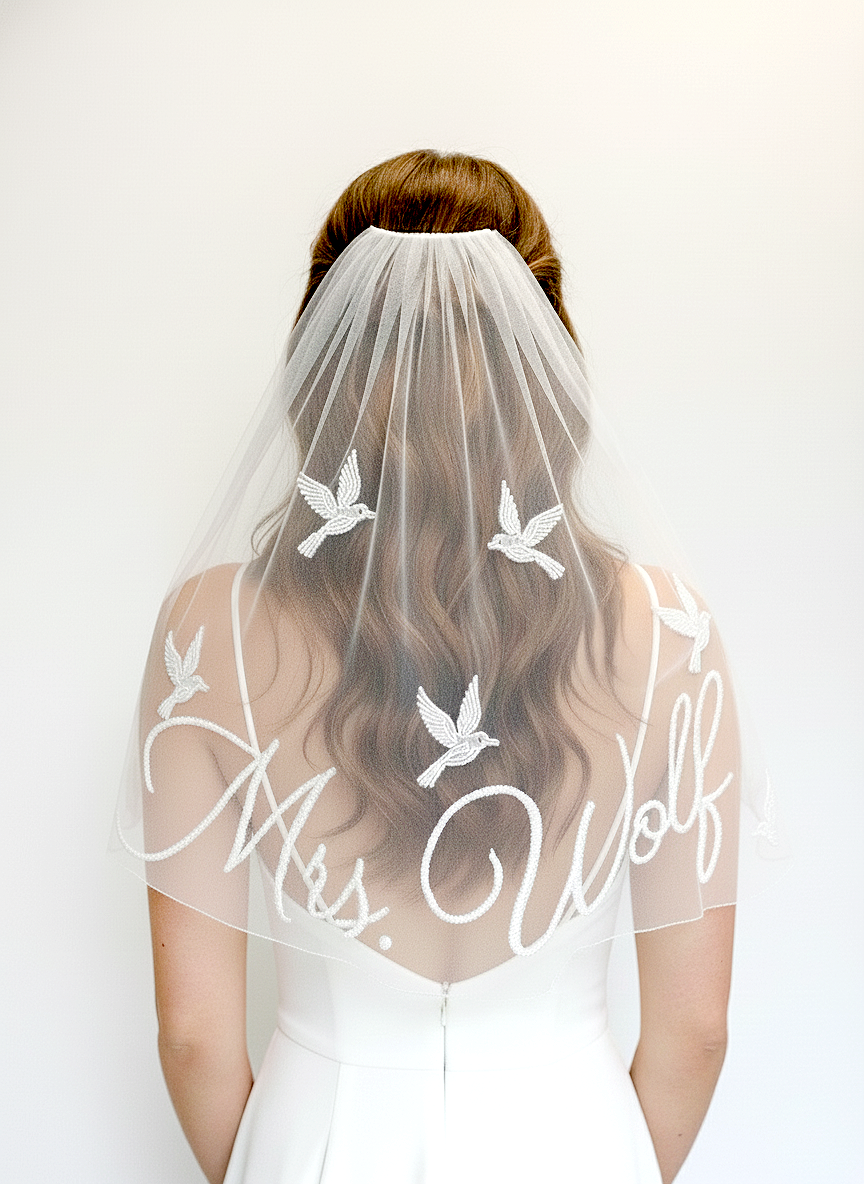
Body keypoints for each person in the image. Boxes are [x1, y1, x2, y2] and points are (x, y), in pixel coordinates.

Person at [115, 150, 777, 1183]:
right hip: (573, 1146)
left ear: (322, 355)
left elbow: (195, 1035)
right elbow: (694, 1032)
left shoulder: (213, 628)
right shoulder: (667, 633)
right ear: (544, 356)